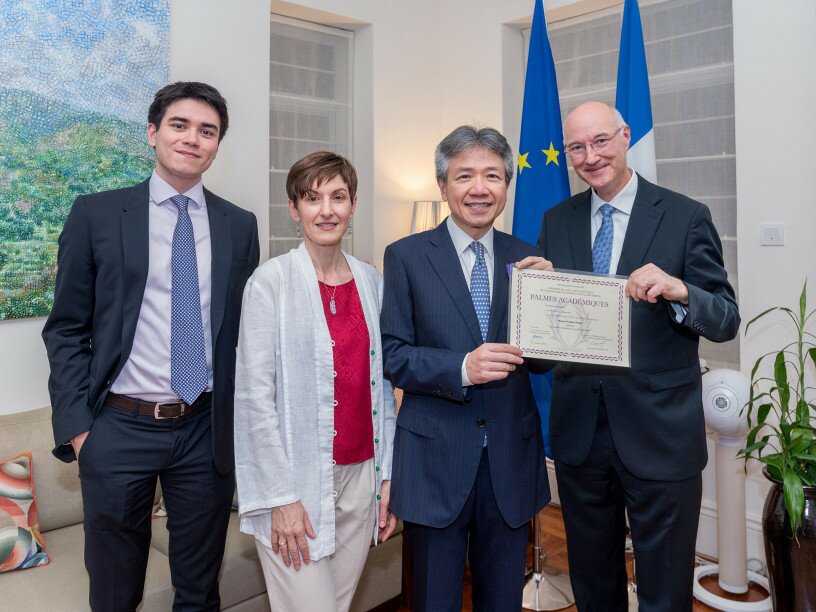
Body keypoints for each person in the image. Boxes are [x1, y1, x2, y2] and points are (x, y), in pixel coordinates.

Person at [42, 81, 260, 611]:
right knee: (115, 594)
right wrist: (78, 430)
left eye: (207, 131)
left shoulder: (239, 224)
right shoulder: (96, 215)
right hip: (117, 429)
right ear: (153, 133)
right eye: (179, 125)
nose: (192, 138)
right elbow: (66, 328)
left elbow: (242, 335)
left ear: (216, 145)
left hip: (204, 432)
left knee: (198, 590)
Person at [538, 101, 740, 611]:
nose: (591, 156)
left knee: (666, 586)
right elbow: (546, 335)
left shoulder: (684, 215)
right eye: (577, 147)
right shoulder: (555, 220)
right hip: (581, 434)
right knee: (592, 579)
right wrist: (532, 299)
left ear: (625, 136)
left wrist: (680, 290)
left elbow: (724, 318)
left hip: (660, 433)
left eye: (601, 141)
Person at [381, 125, 552, 611]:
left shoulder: (528, 258)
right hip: (434, 459)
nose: (480, 188)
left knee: (502, 600)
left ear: (506, 185)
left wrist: (550, 305)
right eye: (465, 176)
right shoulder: (406, 256)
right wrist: (462, 367)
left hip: (510, 460)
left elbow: (541, 361)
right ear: (443, 186)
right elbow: (394, 355)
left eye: (493, 176)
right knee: (435, 599)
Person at [233, 151, 398, 611]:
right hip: (296, 484)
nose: (326, 210)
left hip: (362, 476)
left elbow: (380, 387)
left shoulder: (370, 281)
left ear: (352, 205)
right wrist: (280, 498)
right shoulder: (270, 283)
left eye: (338, 197)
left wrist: (386, 479)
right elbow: (253, 399)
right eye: (312, 198)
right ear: (294, 207)